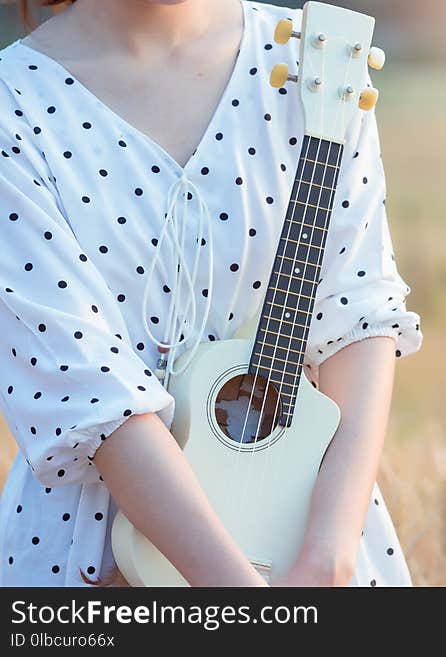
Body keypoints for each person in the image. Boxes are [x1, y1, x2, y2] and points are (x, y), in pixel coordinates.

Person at [0, 0, 422, 587]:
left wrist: (328, 556)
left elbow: (359, 314)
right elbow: (86, 387)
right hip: (99, 556)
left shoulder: (317, 54)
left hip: (306, 532)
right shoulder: (12, 103)